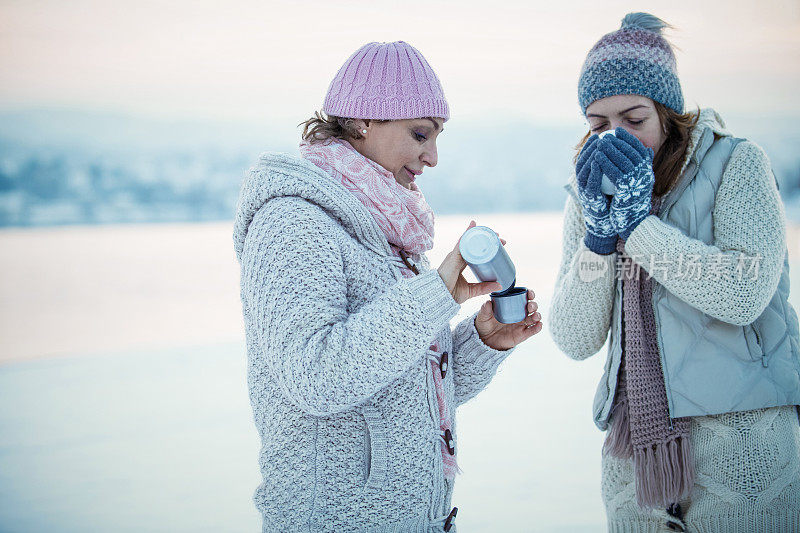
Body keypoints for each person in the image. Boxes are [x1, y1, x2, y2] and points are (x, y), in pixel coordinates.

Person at [233, 41, 542, 532]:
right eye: (421, 133)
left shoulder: (386, 228)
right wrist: (438, 289)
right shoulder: (292, 222)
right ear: (362, 121)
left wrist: (483, 341)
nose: (433, 156)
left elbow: (403, 393)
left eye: (438, 137)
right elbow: (316, 378)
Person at [549, 12, 800, 533]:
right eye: (598, 126)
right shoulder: (593, 192)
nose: (618, 139)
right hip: (633, 457)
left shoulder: (737, 165)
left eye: (634, 119)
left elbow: (744, 292)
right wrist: (599, 234)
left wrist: (638, 228)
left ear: (668, 110)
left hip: (741, 446)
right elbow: (575, 337)